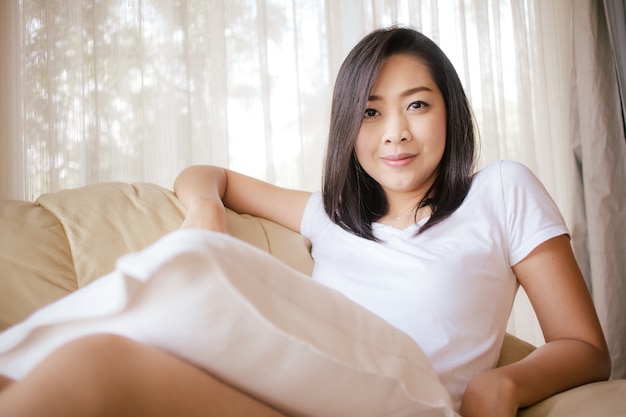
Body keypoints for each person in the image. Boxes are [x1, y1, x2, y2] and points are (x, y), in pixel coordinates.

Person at [0, 27, 610, 417]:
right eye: (370, 113)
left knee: (168, 302)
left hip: (405, 400)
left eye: (417, 105)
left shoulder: (501, 191)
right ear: (348, 129)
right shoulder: (331, 214)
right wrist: (207, 211)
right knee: (85, 369)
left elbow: (584, 347)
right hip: (292, 391)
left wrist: (501, 386)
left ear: (451, 113)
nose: (394, 131)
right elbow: (205, 173)